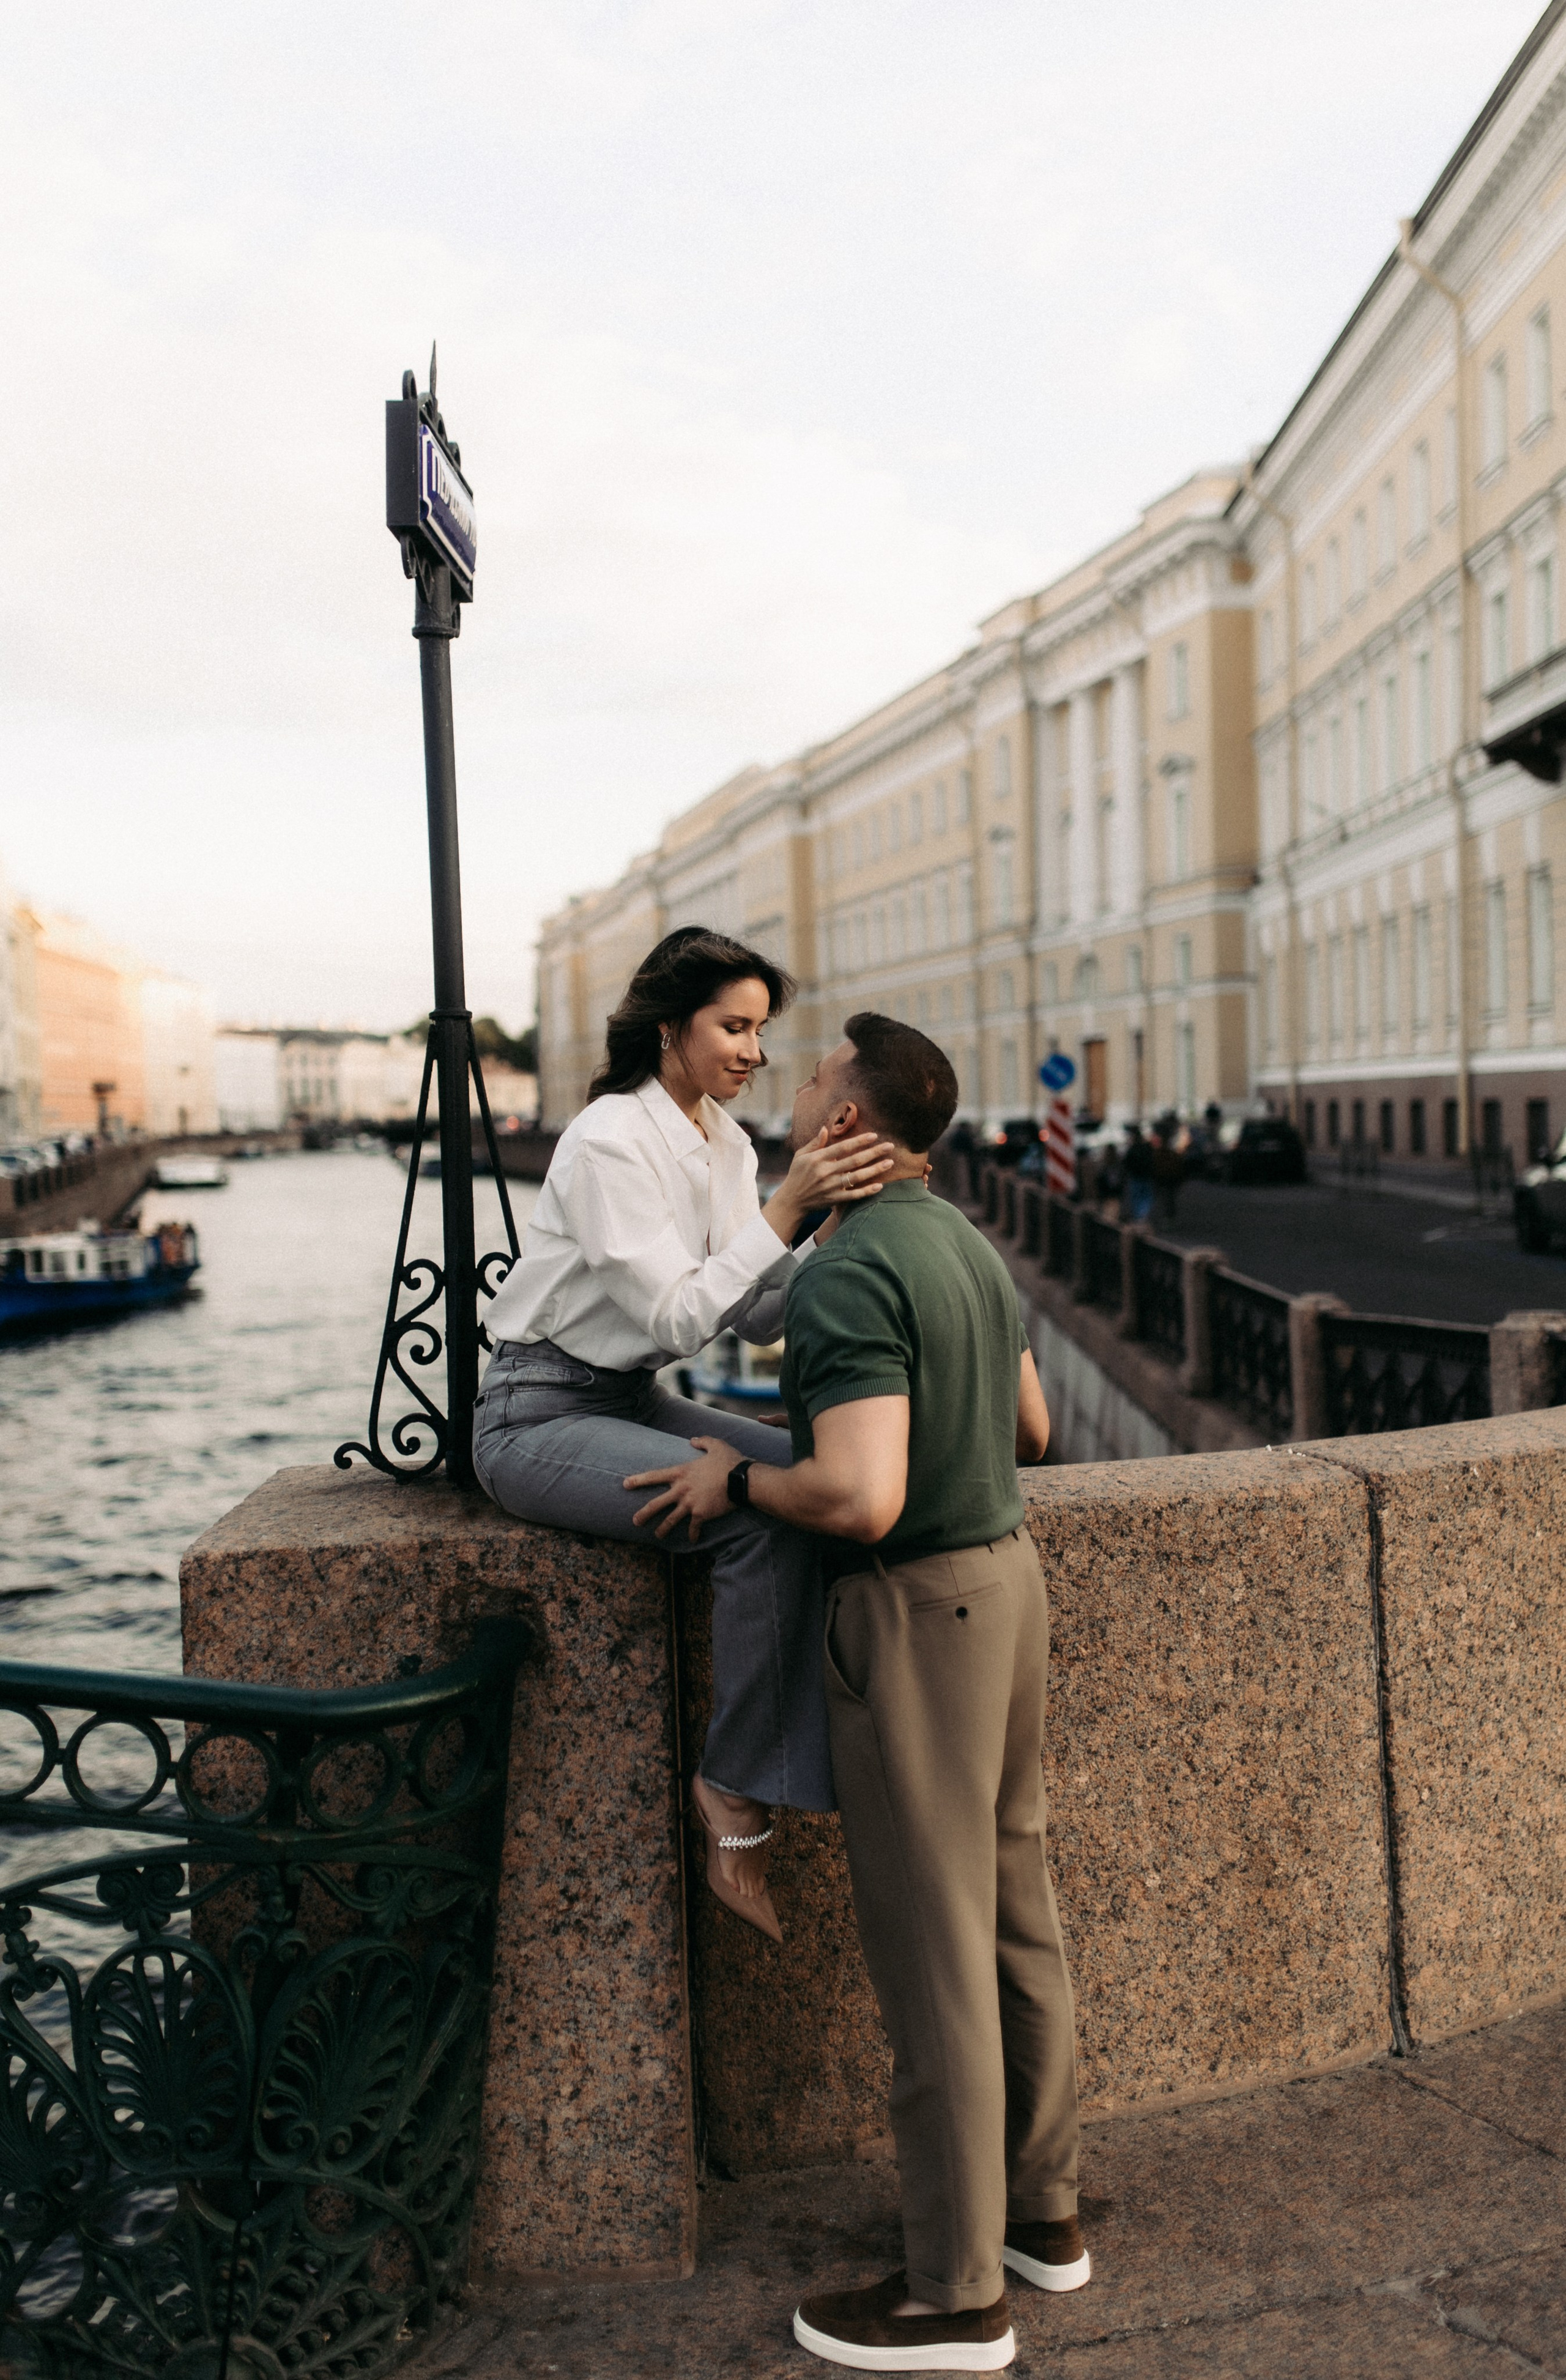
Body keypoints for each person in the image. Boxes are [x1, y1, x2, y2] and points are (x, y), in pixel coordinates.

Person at [626, 1012, 1086, 2374]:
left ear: (845, 1123)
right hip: (1007, 1586)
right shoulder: (962, 1242)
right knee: (1013, 1916)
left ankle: (953, 2296)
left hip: (916, 1615)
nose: (791, 1079)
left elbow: (858, 1492)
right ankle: (1039, 2217)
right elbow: (1032, 1431)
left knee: (930, 1954)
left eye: (813, 1071)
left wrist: (733, 1476)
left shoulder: (845, 1273)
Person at [473, 929, 895, 1942]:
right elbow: (674, 1318)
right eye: (733, 1026)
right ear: (671, 1027)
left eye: (761, 1030)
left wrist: (839, 1221)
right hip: (536, 1412)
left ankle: (849, 1730)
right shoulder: (610, 1138)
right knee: (756, 1521)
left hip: (625, 1401)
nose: (753, 1050)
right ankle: (733, 1788)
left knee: (812, 1475)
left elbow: (747, 1314)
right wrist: (790, 1204)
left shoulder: (724, 1142)